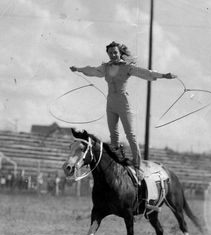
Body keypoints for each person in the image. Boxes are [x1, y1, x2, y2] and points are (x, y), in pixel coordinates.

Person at [70, 41, 177, 182]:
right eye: (110, 53)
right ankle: (115, 164)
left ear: (120, 53)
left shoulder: (127, 67)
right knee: (113, 135)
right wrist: (78, 69)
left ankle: (138, 166)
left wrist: (163, 75)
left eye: (115, 52)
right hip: (110, 102)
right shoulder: (105, 67)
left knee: (130, 134)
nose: (113, 55)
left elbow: (144, 73)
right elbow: (92, 70)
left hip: (123, 102)